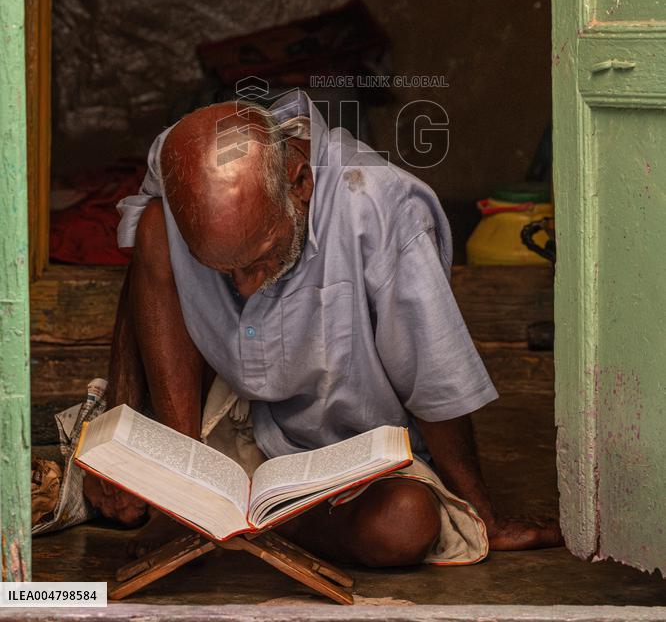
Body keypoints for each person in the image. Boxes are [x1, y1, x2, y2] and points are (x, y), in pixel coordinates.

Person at [83, 90, 562, 566]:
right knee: (152, 224)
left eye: (262, 257)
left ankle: (260, 518)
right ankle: (188, 494)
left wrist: (483, 516)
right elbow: (143, 276)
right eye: (224, 270)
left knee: (404, 523)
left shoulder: (380, 206)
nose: (246, 288)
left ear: (301, 183)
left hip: (351, 460)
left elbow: (434, 381)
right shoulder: (180, 159)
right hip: (239, 422)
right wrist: (123, 427)